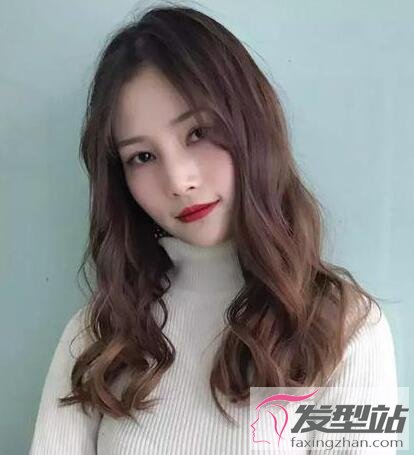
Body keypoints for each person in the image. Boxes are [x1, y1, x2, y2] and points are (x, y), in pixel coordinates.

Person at [29, 4, 398, 454]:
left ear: (252, 126)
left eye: (198, 133)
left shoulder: (346, 329)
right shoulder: (100, 336)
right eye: (142, 157)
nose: (178, 180)